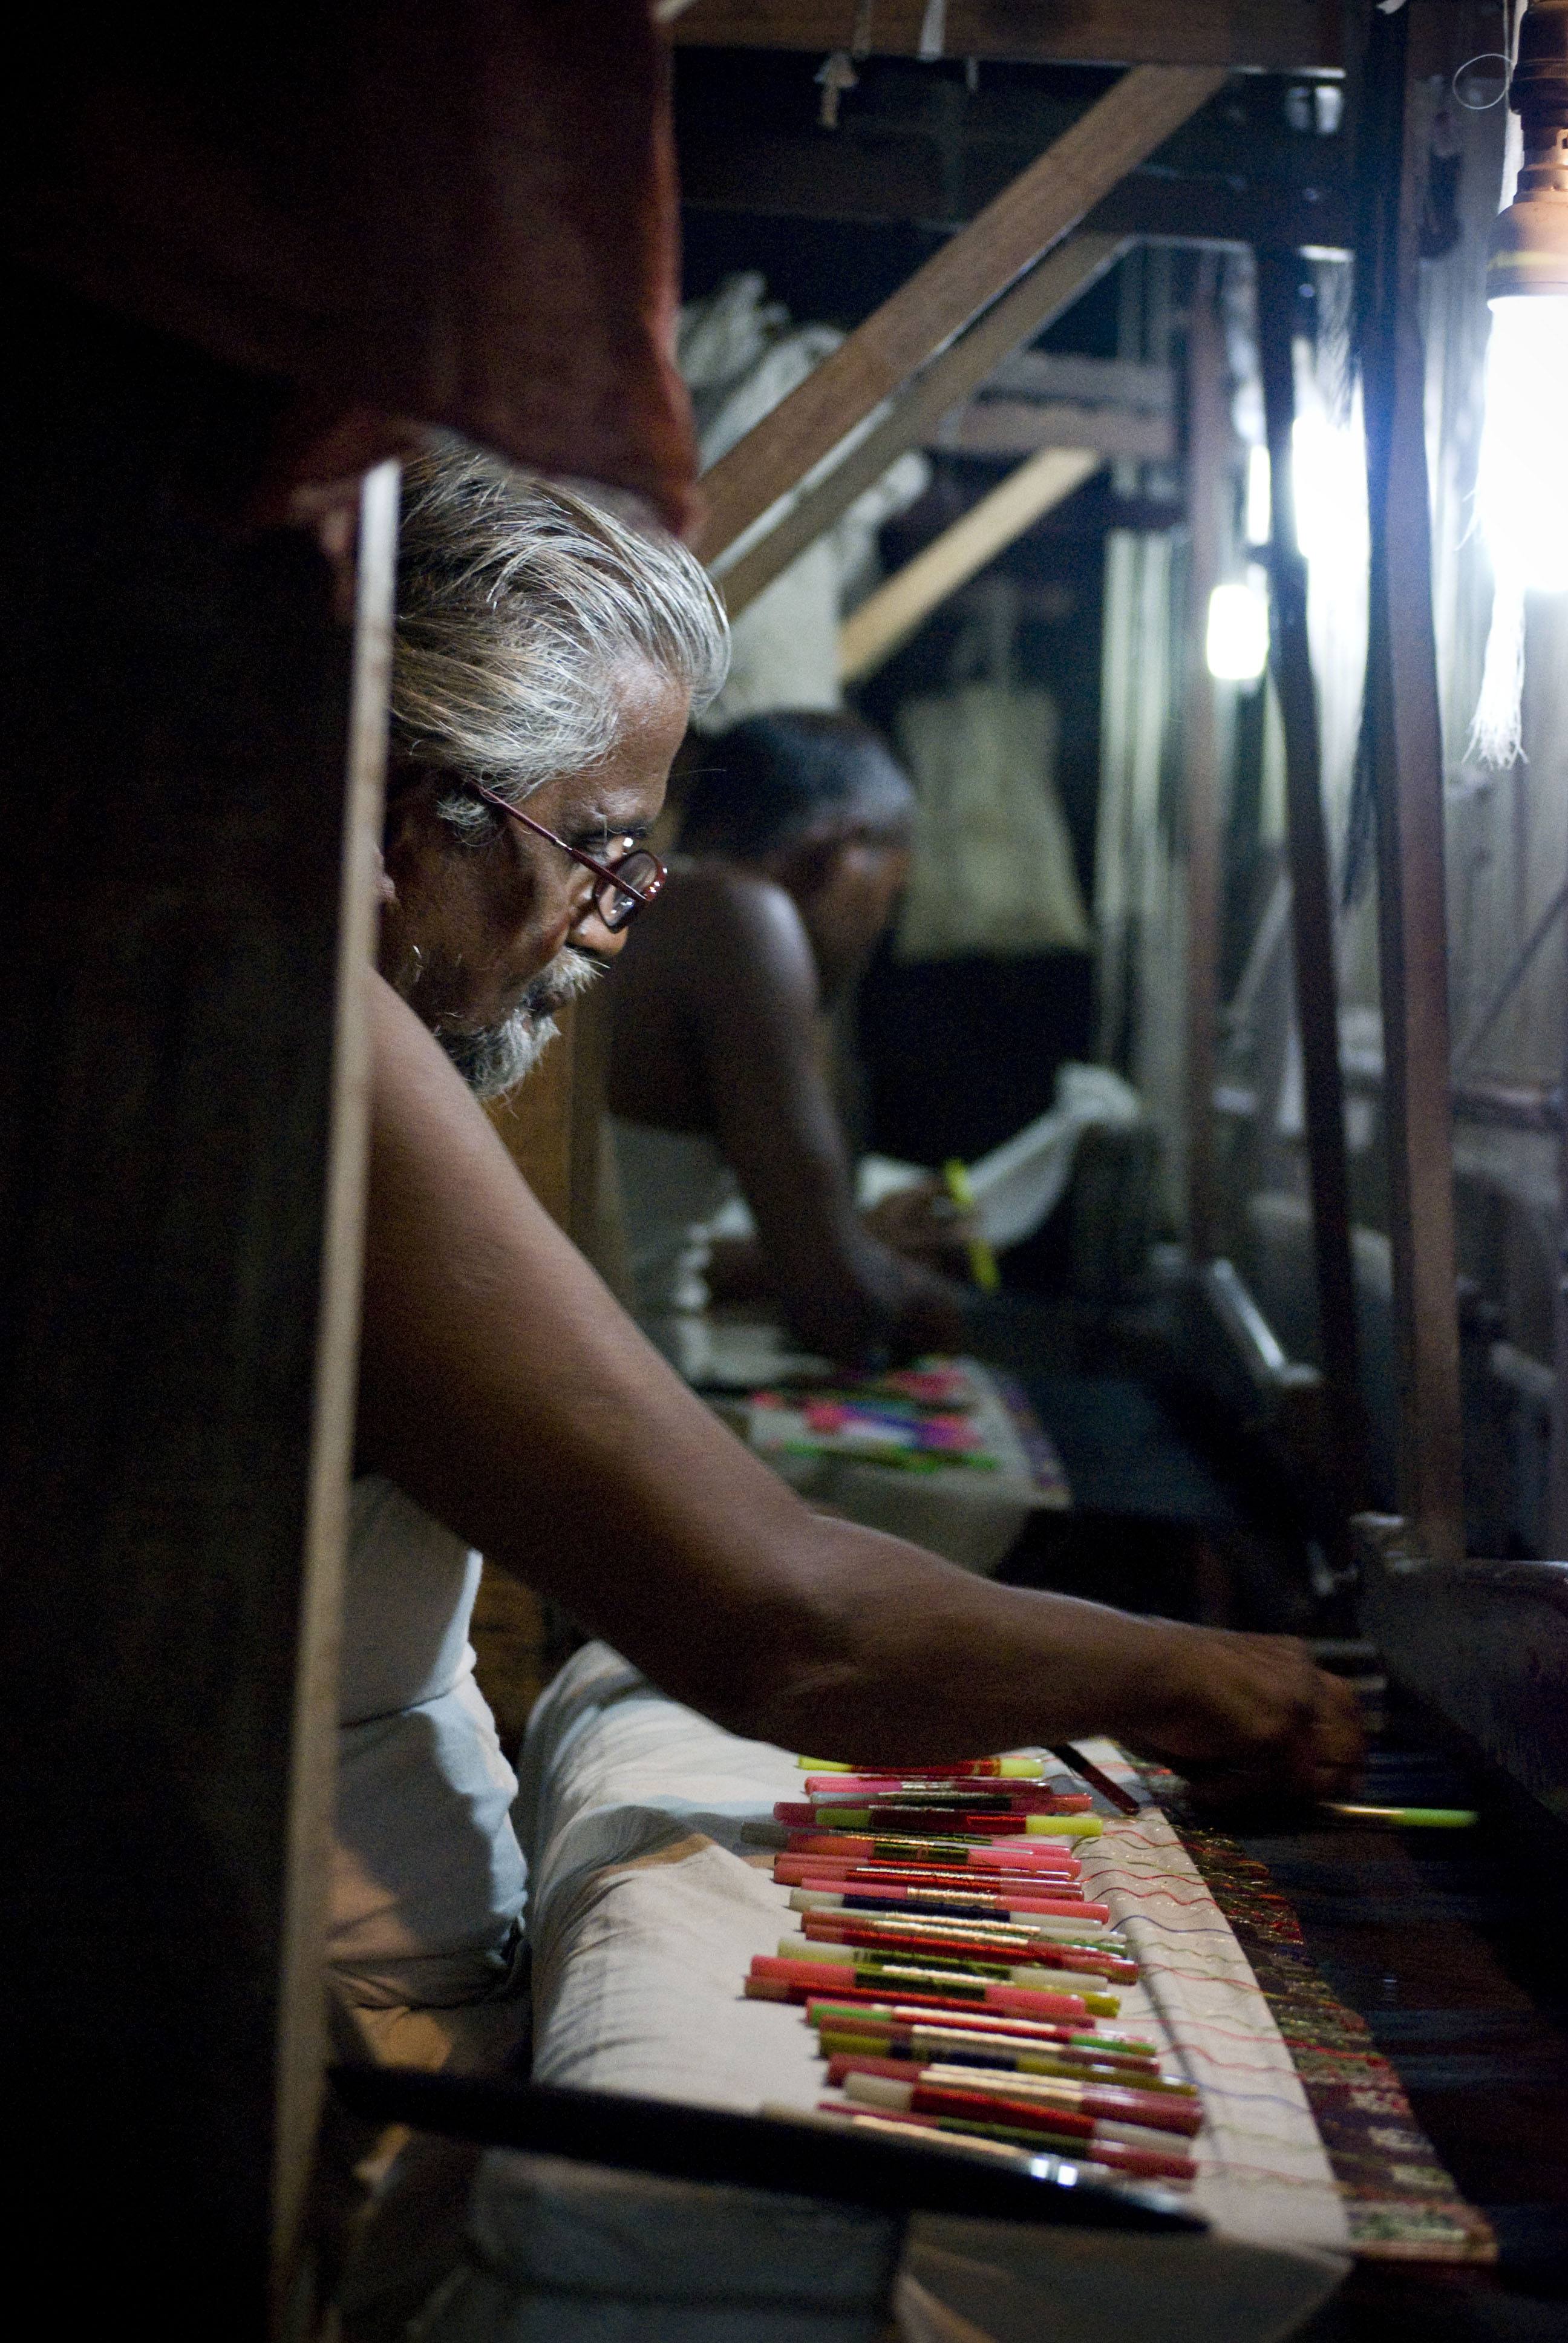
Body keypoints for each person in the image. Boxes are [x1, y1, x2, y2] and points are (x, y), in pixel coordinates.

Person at [339, 444, 1362, 2073]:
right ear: (416, 823)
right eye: (596, 847)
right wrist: (1194, 1675)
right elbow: (787, 1623)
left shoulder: (310, 1035)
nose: (613, 920)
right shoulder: (339, 1050)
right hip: (335, 2026)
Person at [604, 712, 972, 1366]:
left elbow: (645, 1241)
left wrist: (858, 1241)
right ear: (837, 851)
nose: (874, 933)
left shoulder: (647, 902)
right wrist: (935, 1296)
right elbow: (838, 1308)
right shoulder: (739, 918)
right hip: (631, 1393)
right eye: (888, 893)